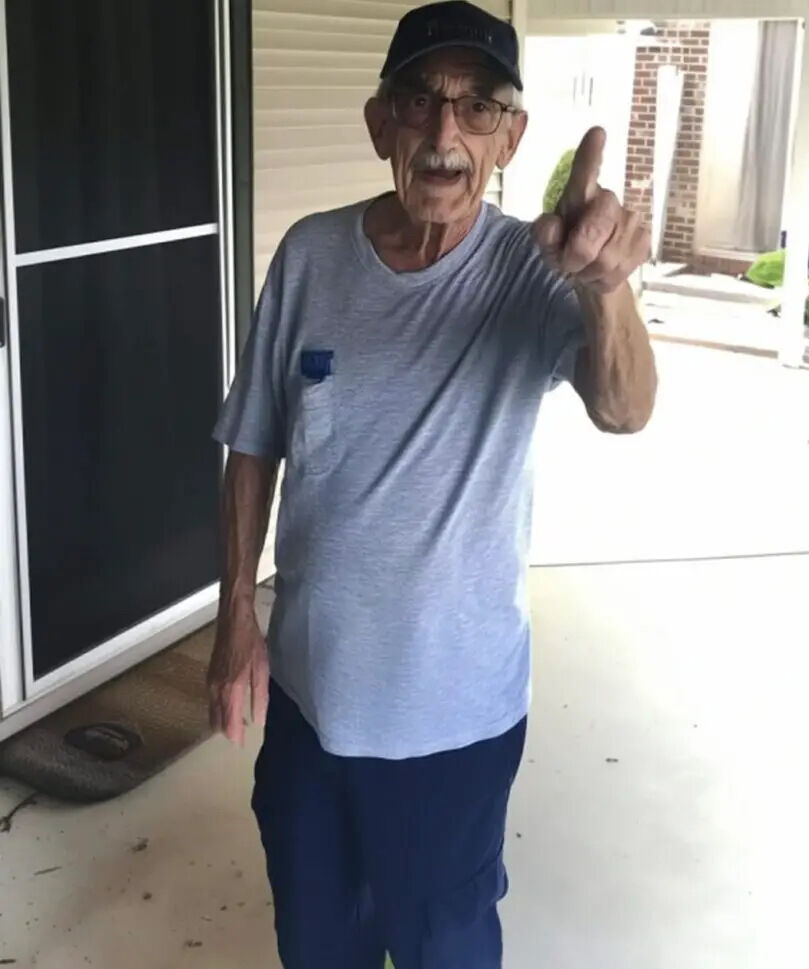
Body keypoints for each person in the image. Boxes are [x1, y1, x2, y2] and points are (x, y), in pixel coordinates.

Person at [207, 2, 656, 966]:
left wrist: (606, 286)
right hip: (309, 702)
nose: (446, 131)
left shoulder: (534, 272)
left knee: (442, 948)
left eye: (479, 106)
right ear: (382, 124)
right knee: (315, 939)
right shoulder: (309, 256)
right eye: (420, 101)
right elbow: (253, 441)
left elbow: (625, 409)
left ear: (510, 138)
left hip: (454, 725)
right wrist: (236, 611)